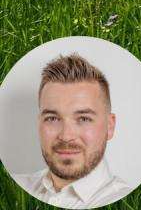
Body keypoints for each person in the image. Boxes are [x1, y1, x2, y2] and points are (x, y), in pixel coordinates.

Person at [13, 53, 132, 208]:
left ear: (110, 126)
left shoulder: (127, 201)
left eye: (83, 119)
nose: (66, 136)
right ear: (39, 124)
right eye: (52, 118)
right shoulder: (14, 187)